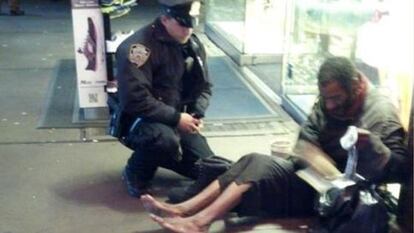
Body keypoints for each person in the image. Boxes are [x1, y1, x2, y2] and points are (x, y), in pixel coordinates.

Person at [140, 56, 409, 233]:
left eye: (336, 98)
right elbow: (305, 140)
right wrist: (312, 156)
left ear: (358, 86)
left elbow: (400, 171)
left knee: (260, 167)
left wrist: (373, 146)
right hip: (314, 181)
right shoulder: (331, 100)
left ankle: (199, 222)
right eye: (325, 98)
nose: (329, 105)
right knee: (253, 159)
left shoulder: (380, 113)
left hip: (336, 199)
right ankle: (185, 210)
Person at [114, 0, 214, 198]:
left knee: (209, 169)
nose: (189, 29)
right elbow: (135, 99)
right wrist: (176, 119)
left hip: (176, 116)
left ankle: (168, 154)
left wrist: (196, 112)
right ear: (165, 19)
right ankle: (135, 171)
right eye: (183, 23)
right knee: (163, 142)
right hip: (140, 120)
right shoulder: (138, 48)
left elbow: (204, 86)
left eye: (192, 22)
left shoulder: (191, 43)